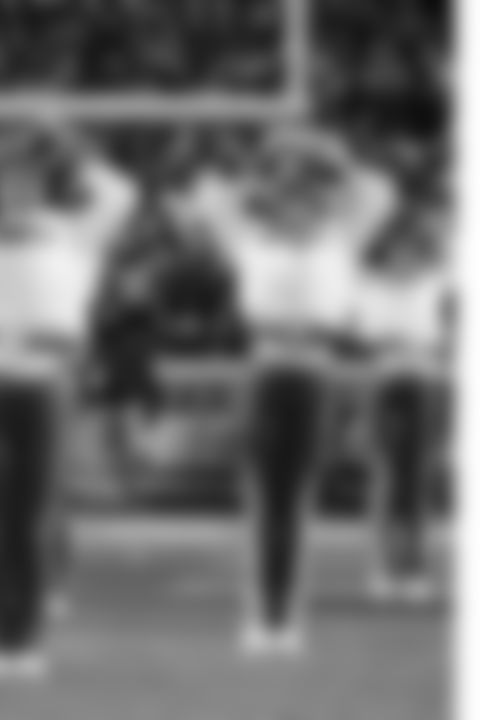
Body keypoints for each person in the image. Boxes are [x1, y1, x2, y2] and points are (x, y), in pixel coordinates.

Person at [0, 132, 138, 679]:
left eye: (29, 179)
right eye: (7, 179)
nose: (18, 188)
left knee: (33, 518)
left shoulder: (73, 233)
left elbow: (120, 193)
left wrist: (62, 147)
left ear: (47, 185)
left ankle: (28, 641)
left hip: (46, 378)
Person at [174, 126, 399, 657]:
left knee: (297, 497)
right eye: (286, 197)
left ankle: (286, 618)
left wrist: (327, 157)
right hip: (266, 365)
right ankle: (261, 615)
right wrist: (268, 163)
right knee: (263, 496)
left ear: (321, 202)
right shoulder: (248, 239)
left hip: (316, 368)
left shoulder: (341, 238)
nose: (296, 207)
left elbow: (381, 192)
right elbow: (210, 196)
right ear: (272, 201)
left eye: (307, 197)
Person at [351, 201, 450, 605]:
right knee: (385, 480)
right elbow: (372, 337)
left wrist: (426, 219)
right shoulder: (371, 288)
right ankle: (380, 568)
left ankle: (415, 568)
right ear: (386, 255)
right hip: (386, 384)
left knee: (419, 481)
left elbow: (448, 244)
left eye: (412, 252)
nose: (404, 259)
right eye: (397, 252)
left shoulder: (432, 284)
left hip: (422, 384)